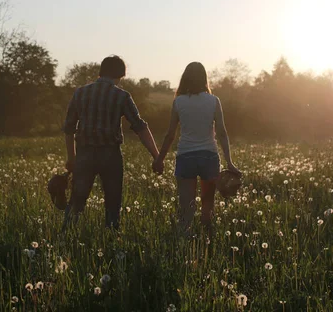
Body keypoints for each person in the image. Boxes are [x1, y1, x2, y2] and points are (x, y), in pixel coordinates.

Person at [62, 56, 159, 230]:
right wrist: (156, 156)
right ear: (120, 75)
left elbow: (69, 128)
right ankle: (112, 240)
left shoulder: (80, 93)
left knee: (77, 201)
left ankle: (65, 238)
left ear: (101, 72)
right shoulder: (121, 96)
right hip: (110, 155)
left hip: (84, 154)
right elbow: (140, 127)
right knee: (113, 204)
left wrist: (71, 157)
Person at [153, 62, 241, 235]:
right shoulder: (214, 101)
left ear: (184, 78)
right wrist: (229, 162)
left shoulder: (178, 102)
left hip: (186, 157)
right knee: (207, 208)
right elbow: (222, 133)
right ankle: (207, 243)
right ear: (204, 78)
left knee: (186, 209)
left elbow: (170, 134)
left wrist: (159, 159)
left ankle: (183, 246)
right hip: (209, 157)